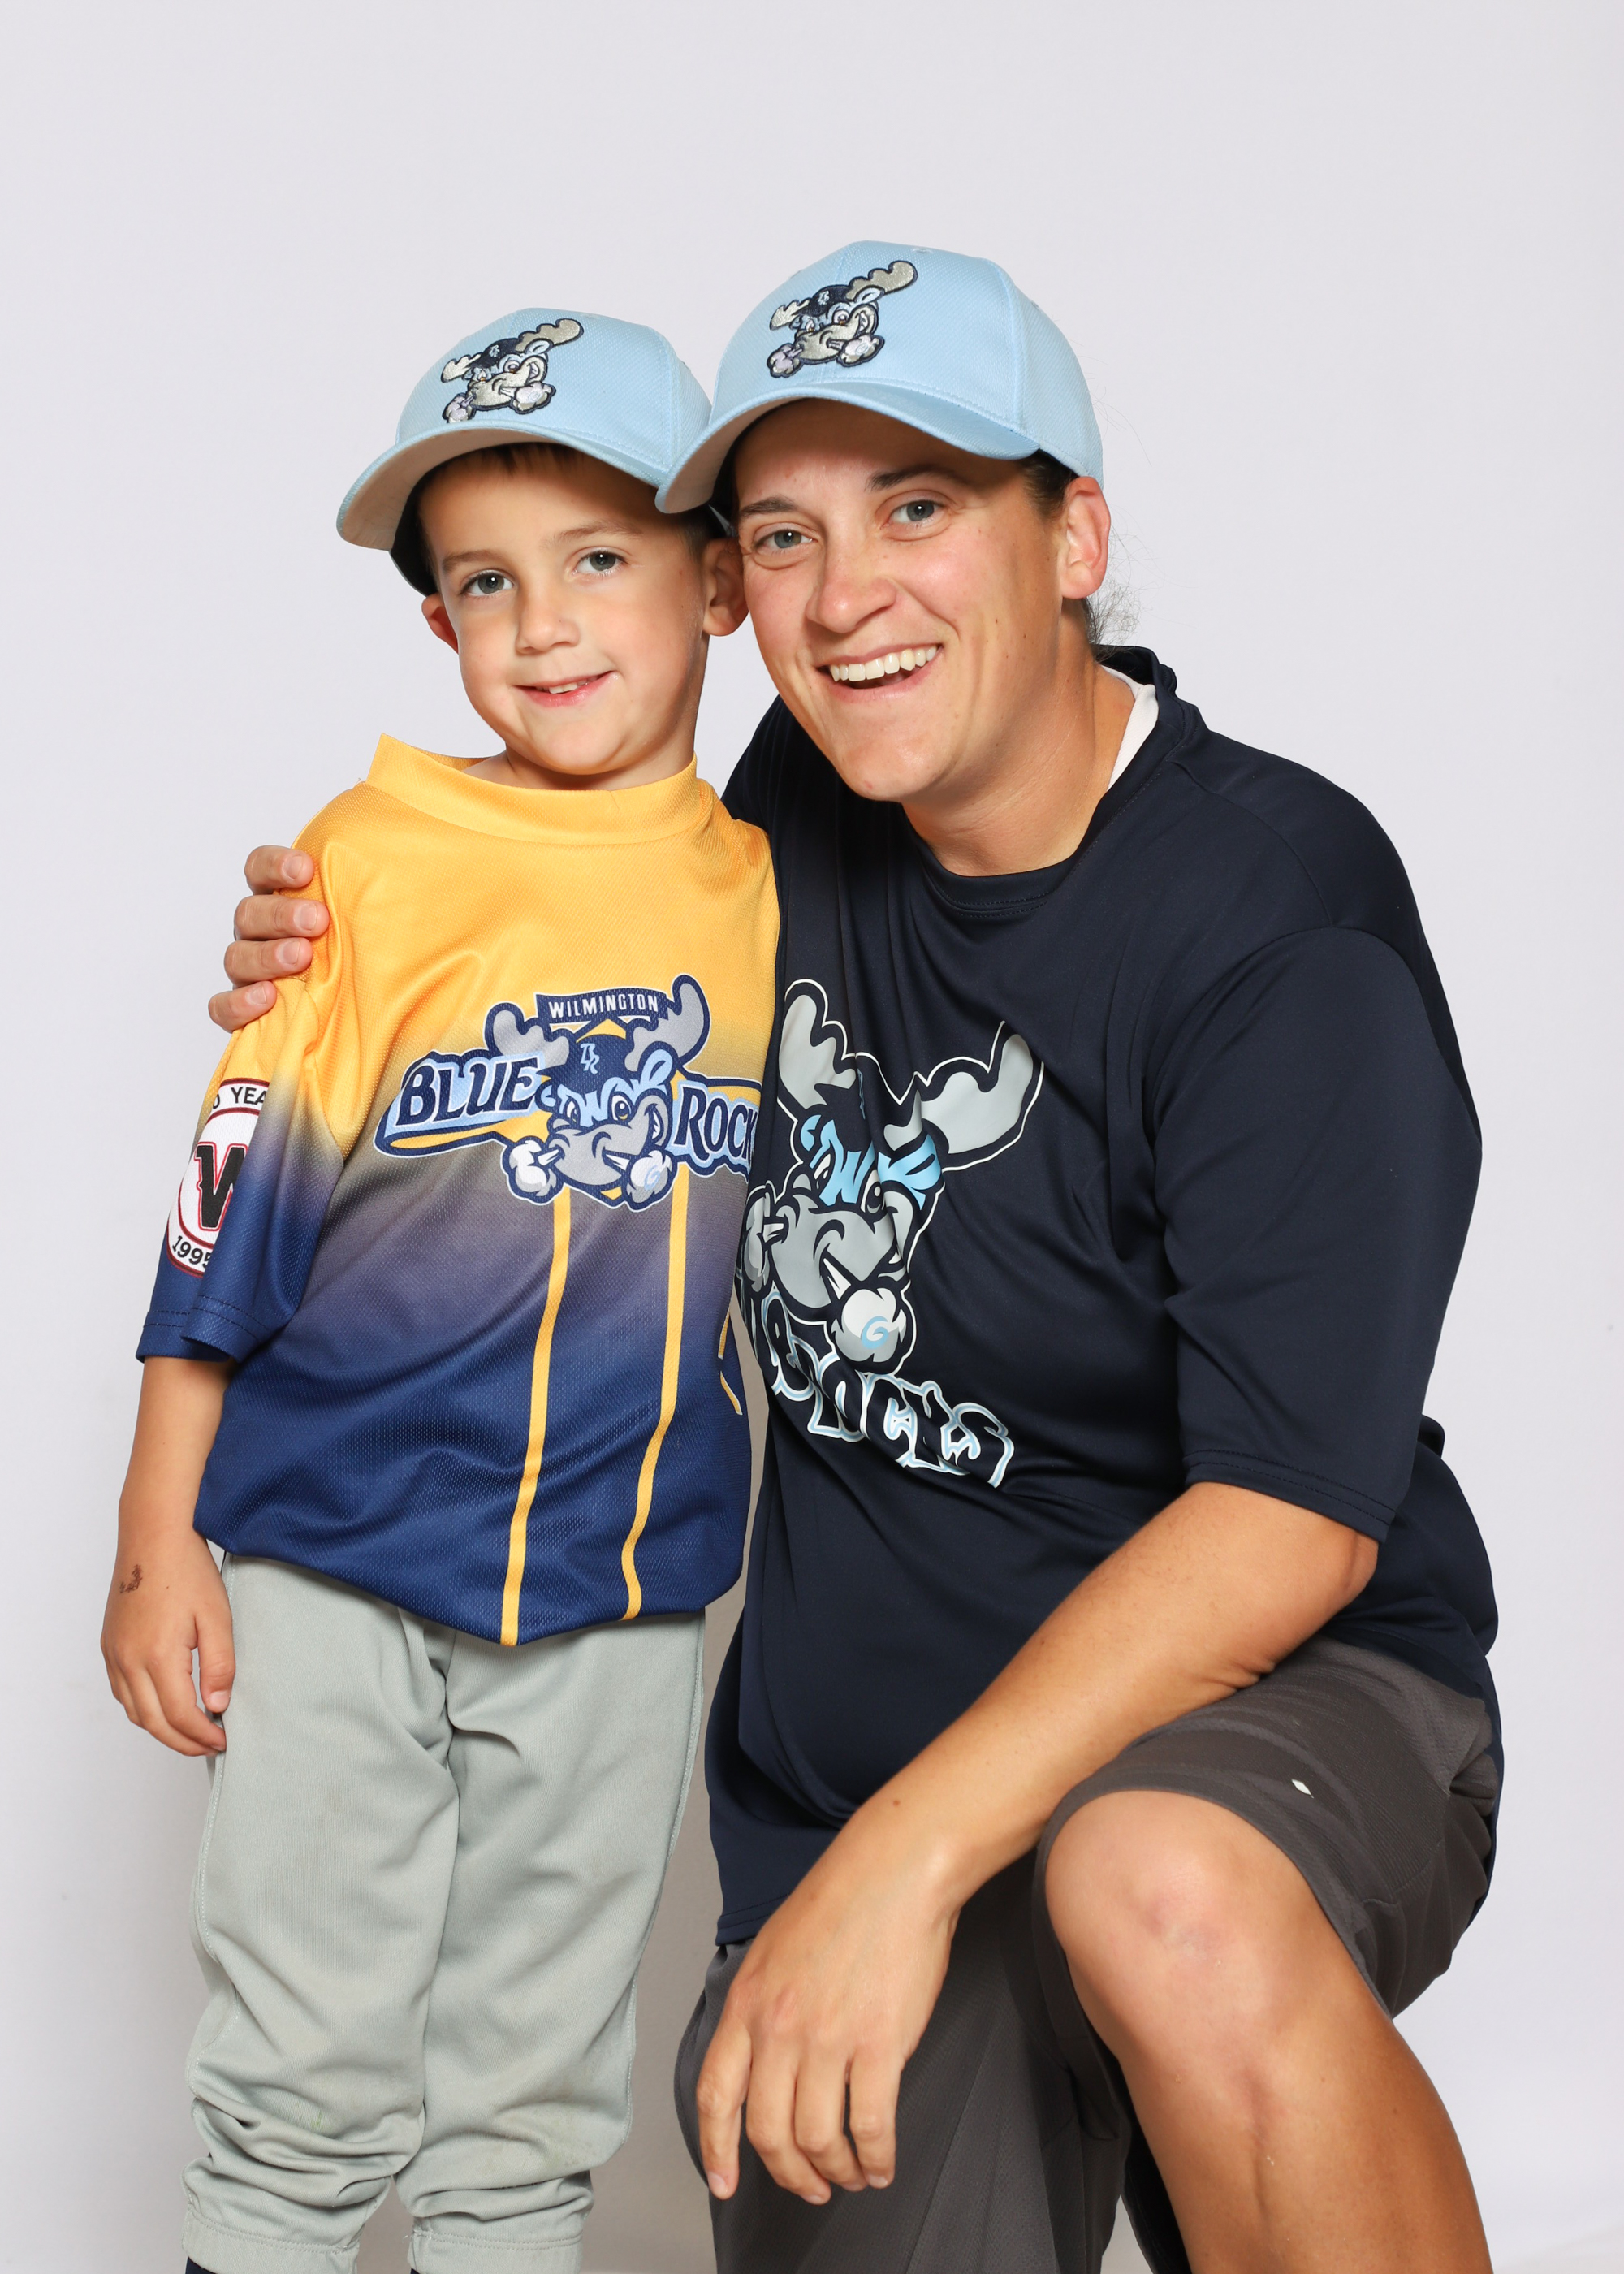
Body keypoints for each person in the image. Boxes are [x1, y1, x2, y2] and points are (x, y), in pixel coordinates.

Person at [209, 244, 1501, 2274]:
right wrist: (333, 942)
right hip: (861, 1781)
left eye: (917, 506)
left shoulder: (1274, 912)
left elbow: (1293, 1521)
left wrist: (911, 1853)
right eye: (783, 532)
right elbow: (536, 973)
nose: (840, 596)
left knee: (1153, 1881)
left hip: (1261, 1711)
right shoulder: (790, 809)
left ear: (1072, 537)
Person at [102, 305, 777, 2274]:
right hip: (329, 1549)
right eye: (486, 580)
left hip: (620, 1580)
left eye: (598, 558)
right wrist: (157, 1533)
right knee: (300, 2063)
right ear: (435, 622)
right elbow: (228, 1210)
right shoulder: (368, 857)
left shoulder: (774, 887)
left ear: (717, 583)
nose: (543, 625)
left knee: (529, 2094)